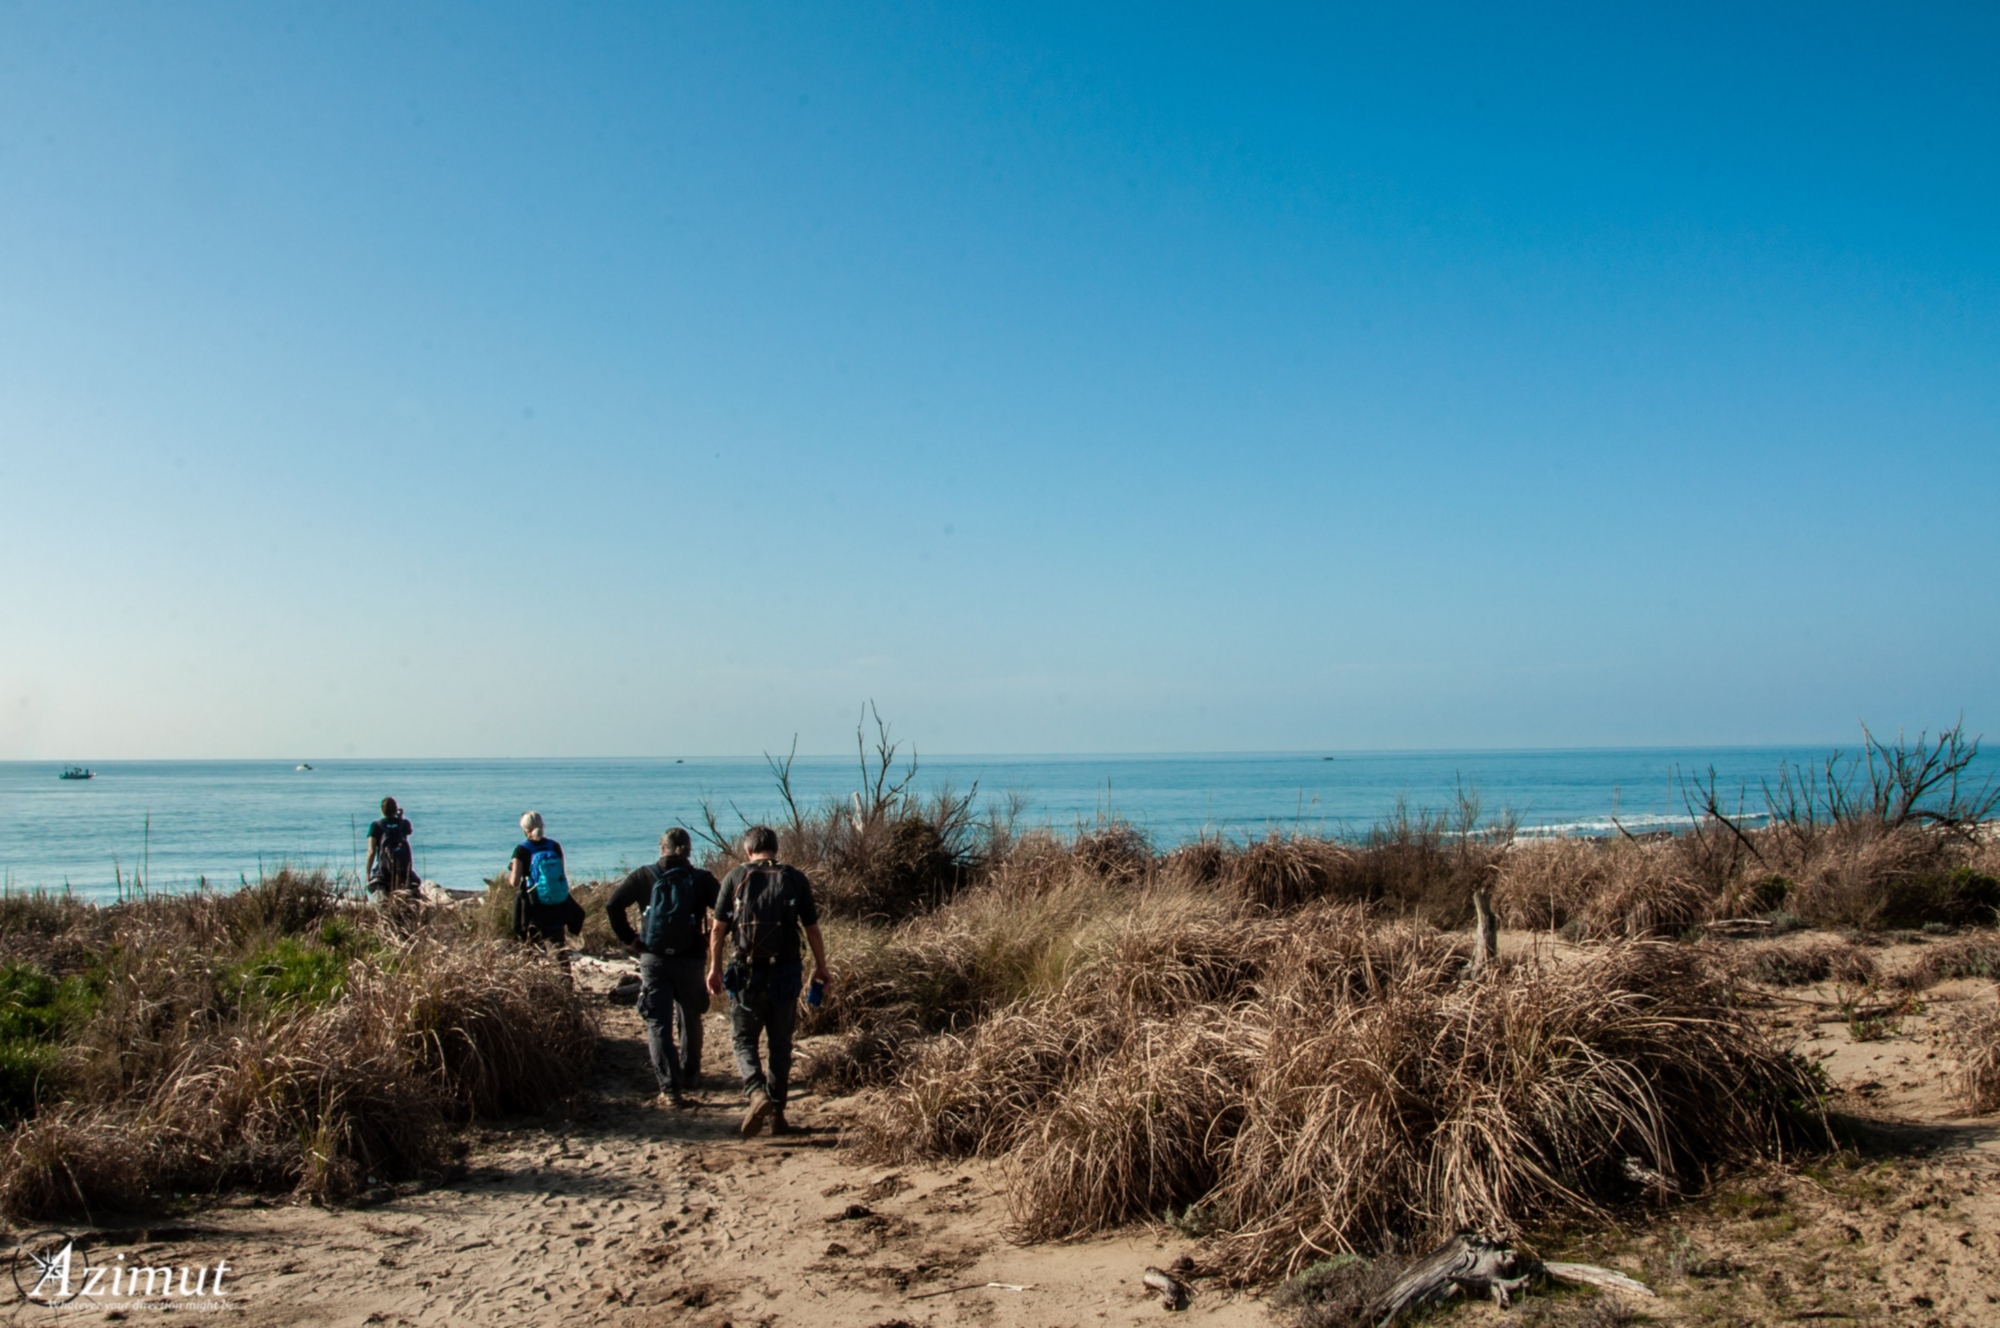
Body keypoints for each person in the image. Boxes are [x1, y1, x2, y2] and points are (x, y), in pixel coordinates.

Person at [705, 825, 831, 1138]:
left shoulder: (735, 877)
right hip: (785, 973)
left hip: (746, 973)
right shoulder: (794, 878)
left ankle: (755, 1092)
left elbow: (718, 929)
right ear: (776, 849)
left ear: (748, 850)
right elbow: (812, 928)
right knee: (780, 1044)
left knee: (743, 1039)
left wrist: (714, 968)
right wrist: (821, 966)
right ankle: (777, 1115)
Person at [605, 828, 721, 1108]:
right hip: (690, 958)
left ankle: (670, 1089)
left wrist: (631, 939)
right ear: (689, 850)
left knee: (658, 1022)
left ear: (661, 848)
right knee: (690, 1017)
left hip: (653, 957)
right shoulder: (702, 879)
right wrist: (709, 938)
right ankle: (691, 1074)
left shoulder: (644, 876)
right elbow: (726, 911)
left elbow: (612, 905)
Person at [510, 811, 585, 952]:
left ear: (525, 829)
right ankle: (562, 966)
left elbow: (514, 882)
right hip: (557, 902)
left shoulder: (521, 850)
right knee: (557, 946)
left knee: (528, 942)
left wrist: (513, 868)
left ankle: (534, 964)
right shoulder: (554, 846)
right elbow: (561, 873)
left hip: (532, 903)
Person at [365, 797, 417, 902]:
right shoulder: (404, 824)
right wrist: (400, 818)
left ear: (382, 810)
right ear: (396, 809)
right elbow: (408, 831)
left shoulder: (376, 826)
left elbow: (371, 851)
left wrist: (368, 873)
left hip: (383, 869)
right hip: (403, 869)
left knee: (378, 894)